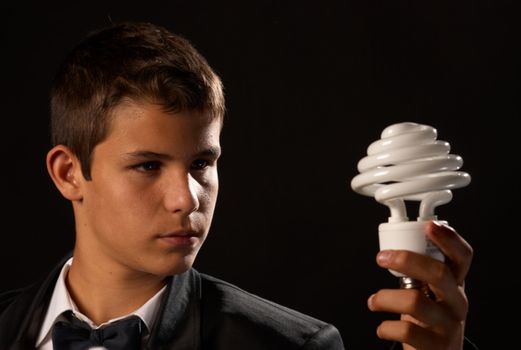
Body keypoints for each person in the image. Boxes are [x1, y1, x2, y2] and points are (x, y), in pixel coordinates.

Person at [0, 21, 478, 350]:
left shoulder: (293, 347)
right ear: (68, 174)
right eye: (147, 165)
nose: (186, 199)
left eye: (202, 163)